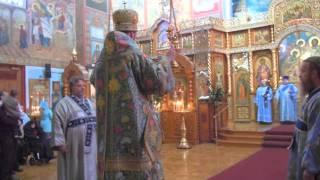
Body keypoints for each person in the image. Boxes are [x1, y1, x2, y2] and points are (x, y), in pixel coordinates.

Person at [91, 8, 175, 179]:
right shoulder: (131, 52)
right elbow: (157, 83)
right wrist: (167, 60)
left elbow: (94, 80)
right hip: (134, 135)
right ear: (132, 32)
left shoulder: (101, 60)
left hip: (108, 141)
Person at [52, 75, 97, 180]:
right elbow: (57, 124)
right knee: (76, 170)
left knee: (91, 170)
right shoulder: (63, 104)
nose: (82, 88)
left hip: (92, 146)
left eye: (83, 86)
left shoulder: (90, 103)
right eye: (78, 86)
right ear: (72, 87)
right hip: (74, 147)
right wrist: (60, 143)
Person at [287, 56, 320, 180]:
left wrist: (310, 168)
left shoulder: (318, 100)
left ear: (314, 74)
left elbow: (316, 138)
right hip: (300, 157)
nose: (299, 75)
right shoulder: (312, 97)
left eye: (303, 71)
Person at [0, 94, 20, 180]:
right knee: (6, 157)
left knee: (9, 156)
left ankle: (9, 173)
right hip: (4, 135)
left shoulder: (4, 107)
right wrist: (15, 122)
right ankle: (5, 176)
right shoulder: (1, 109)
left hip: (9, 135)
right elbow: (4, 120)